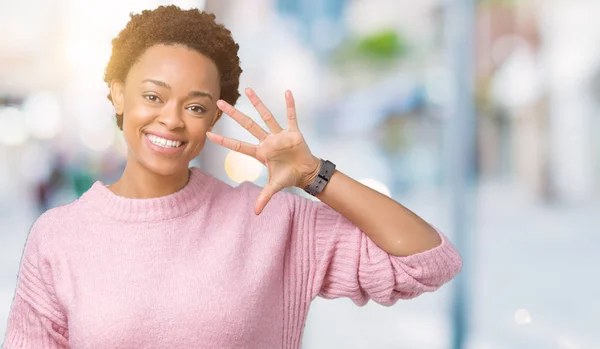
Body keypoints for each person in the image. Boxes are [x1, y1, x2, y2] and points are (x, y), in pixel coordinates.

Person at [2, 5, 462, 349]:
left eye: (196, 106)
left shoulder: (270, 219)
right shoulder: (59, 237)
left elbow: (428, 261)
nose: (173, 119)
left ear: (213, 119)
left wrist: (314, 174)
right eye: (152, 96)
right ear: (118, 95)